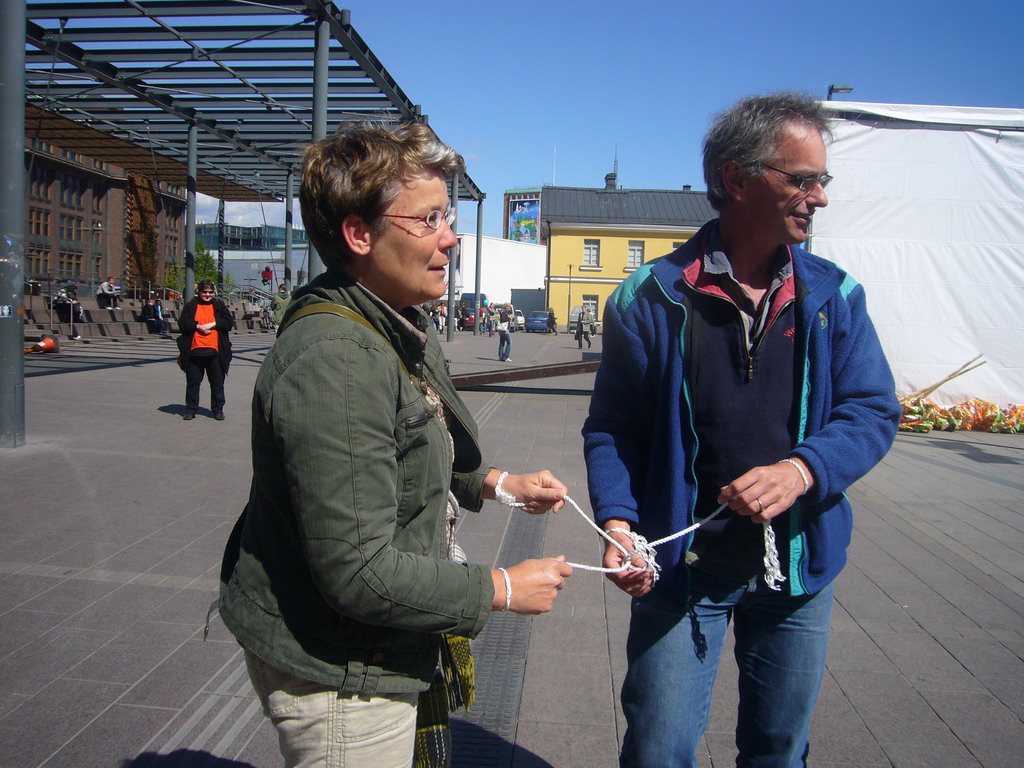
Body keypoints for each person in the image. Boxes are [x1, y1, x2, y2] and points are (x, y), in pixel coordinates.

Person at [217, 122, 573, 768]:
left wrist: (499, 484)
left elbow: (421, 437)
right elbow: (358, 571)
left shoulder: (387, 317)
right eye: (429, 218)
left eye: (450, 215)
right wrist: (498, 587)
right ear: (359, 234)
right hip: (343, 673)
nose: (451, 236)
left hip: (365, 650)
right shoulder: (338, 358)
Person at [582, 92, 901, 768]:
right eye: (802, 179)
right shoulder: (651, 296)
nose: (818, 198)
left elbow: (872, 410)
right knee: (658, 749)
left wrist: (801, 470)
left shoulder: (833, 296)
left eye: (823, 181)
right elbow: (614, 425)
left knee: (778, 749)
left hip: (798, 569)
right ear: (735, 178)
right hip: (681, 569)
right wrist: (617, 524)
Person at [176, 280, 234, 421]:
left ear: (214, 292)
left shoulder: (219, 305)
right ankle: (191, 410)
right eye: (204, 292)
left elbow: (228, 322)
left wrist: (213, 324)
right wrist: (198, 327)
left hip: (215, 352)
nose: (207, 295)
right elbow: (183, 323)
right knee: (193, 383)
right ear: (199, 292)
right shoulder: (191, 306)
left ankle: (218, 409)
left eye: (210, 292)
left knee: (217, 384)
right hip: (195, 351)